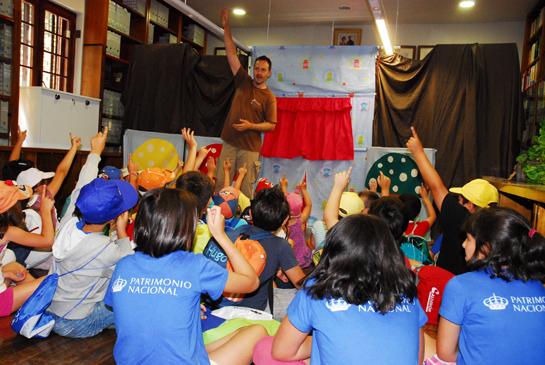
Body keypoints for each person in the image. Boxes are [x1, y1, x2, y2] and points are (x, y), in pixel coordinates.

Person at [104, 189, 264, 365]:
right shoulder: (194, 265)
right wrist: (220, 235)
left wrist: (188, 305)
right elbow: (251, 282)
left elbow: (141, 306)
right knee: (257, 332)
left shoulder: (123, 265)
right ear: (185, 230)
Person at [253, 215, 427, 364]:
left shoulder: (317, 287)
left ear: (334, 249)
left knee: (265, 347)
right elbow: (417, 360)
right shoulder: (405, 289)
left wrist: (324, 342)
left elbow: (281, 351)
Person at [45, 128, 139, 338]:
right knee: (137, 300)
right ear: (112, 218)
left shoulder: (69, 219)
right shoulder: (105, 249)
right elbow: (132, 271)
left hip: (54, 310)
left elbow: (84, 181)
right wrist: (122, 233)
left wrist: (95, 152)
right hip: (78, 323)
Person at [436, 207, 545, 364]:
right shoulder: (538, 285)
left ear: (486, 248)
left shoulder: (460, 285)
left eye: (468, 239)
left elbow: (445, 353)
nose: (463, 245)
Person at [406, 127, 499, 275]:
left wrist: (418, 152)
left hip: (448, 283)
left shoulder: (461, 218)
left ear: (470, 205)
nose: (456, 204)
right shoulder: (498, 229)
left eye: (460, 201)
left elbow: (436, 187)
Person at [215, 8, 277, 197]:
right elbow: (232, 56)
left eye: (263, 70)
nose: (259, 72)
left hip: (249, 149)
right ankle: (216, 219)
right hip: (229, 143)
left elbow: (272, 125)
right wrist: (226, 27)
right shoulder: (243, 81)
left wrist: (251, 126)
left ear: (269, 73)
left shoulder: (269, 97)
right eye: (257, 68)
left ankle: (242, 222)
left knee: (244, 190)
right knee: (220, 184)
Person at [0, 181, 54, 317]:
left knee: (14, 265)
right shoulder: (7, 231)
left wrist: (5, 275)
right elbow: (48, 241)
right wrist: (45, 211)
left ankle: (35, 299)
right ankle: (50, 309)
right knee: (52, 280)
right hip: (1, 302)